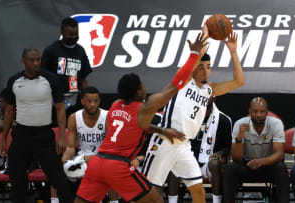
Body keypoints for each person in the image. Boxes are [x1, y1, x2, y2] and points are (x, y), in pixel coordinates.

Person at [74, 33, 209, 203]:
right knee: (156, 201)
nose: (145, 88)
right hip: (118, 166)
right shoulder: (145, 108)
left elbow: (132, 126)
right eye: (142, 86)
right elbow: (176, 84)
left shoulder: (116, 105)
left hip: (97, 163)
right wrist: (194, 55)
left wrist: (161, 130)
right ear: (138, 91)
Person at [142, 32, 244, 203]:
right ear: (194, 68)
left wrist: (233, 52)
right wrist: (196, 52)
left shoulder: (208, 90)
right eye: (201, 67)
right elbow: (190, 65)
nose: (206, 71)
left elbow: (238, 81)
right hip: (165, 141)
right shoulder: (183, 83)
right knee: (147, 191)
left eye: (209, 67)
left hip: (183, 146)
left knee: (198, 191)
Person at [0, 48, 73, 203]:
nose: (36, 63)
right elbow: (9, 110)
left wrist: (61, 136)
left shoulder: (51, 80)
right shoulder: (14, 81)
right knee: (17, 180)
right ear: (23, 61)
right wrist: (4, 137)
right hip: (21, 135)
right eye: (32, 60)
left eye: (38, 59)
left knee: (58, 179)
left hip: (43, 135)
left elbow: (60, 108)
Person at [165, 96, 232, 203]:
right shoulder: (186, 118)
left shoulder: (223, 120)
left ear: (213, 98)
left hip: (208, 163)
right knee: (173, 164)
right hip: (188, 161)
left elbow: (229, 146)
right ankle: (172, 201)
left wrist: (220, 153)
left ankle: (217, 201)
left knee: (215, 164)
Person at [223, 97, 289, 203]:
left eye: (262, 111)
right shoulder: (240, 124)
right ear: (250, 112)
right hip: (247, 165)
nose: (258, 115)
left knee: (281, 167)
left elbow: (279, 155)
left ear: (267, 113)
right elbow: (236, 158)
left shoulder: (275, 124)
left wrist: (261, 162)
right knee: (231, 168)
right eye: (255, 111)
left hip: (268, 165)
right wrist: (239, 138)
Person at [60, 86, 119, 203]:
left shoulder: (107, 117)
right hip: (83, 159)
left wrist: (96, 158)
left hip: (104, 157)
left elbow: (111, 146)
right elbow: (71, 147)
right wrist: (65, 158)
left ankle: (114, 201)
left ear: (99, 101)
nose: (92, 104)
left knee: (111, 169)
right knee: (59, 170)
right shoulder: (73, 118)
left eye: (96, 101)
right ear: (82, 101)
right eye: (89, 101)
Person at [41, 17, 92, 111]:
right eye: (70, 34)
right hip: (55, 99)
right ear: (62, 32)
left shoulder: (80, 51)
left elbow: (83, 79)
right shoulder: (51, 50)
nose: (73, 37)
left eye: (76, 34)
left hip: (75, 98)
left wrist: (87, 98)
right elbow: (42, 77)